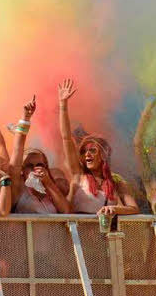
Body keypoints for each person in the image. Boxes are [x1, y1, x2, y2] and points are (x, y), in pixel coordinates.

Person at [57, 79, 139, 219]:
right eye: (84, 151)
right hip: (79, 236)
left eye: (92, 150)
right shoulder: (78, 176)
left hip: (105, 236)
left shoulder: (116, 181)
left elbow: (133, 208)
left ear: (103, 155)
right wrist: (63, 104)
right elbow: (66, 138)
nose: (87, 154)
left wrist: (114, 209)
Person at [8, 96, 71, 214]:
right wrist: (26, 118)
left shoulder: (50, 191)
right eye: (30, 166)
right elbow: (18, 150)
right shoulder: (19, 189)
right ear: (22, 169)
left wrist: (47, 182)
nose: (35, 168)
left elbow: (66, 211)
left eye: (40, 164)